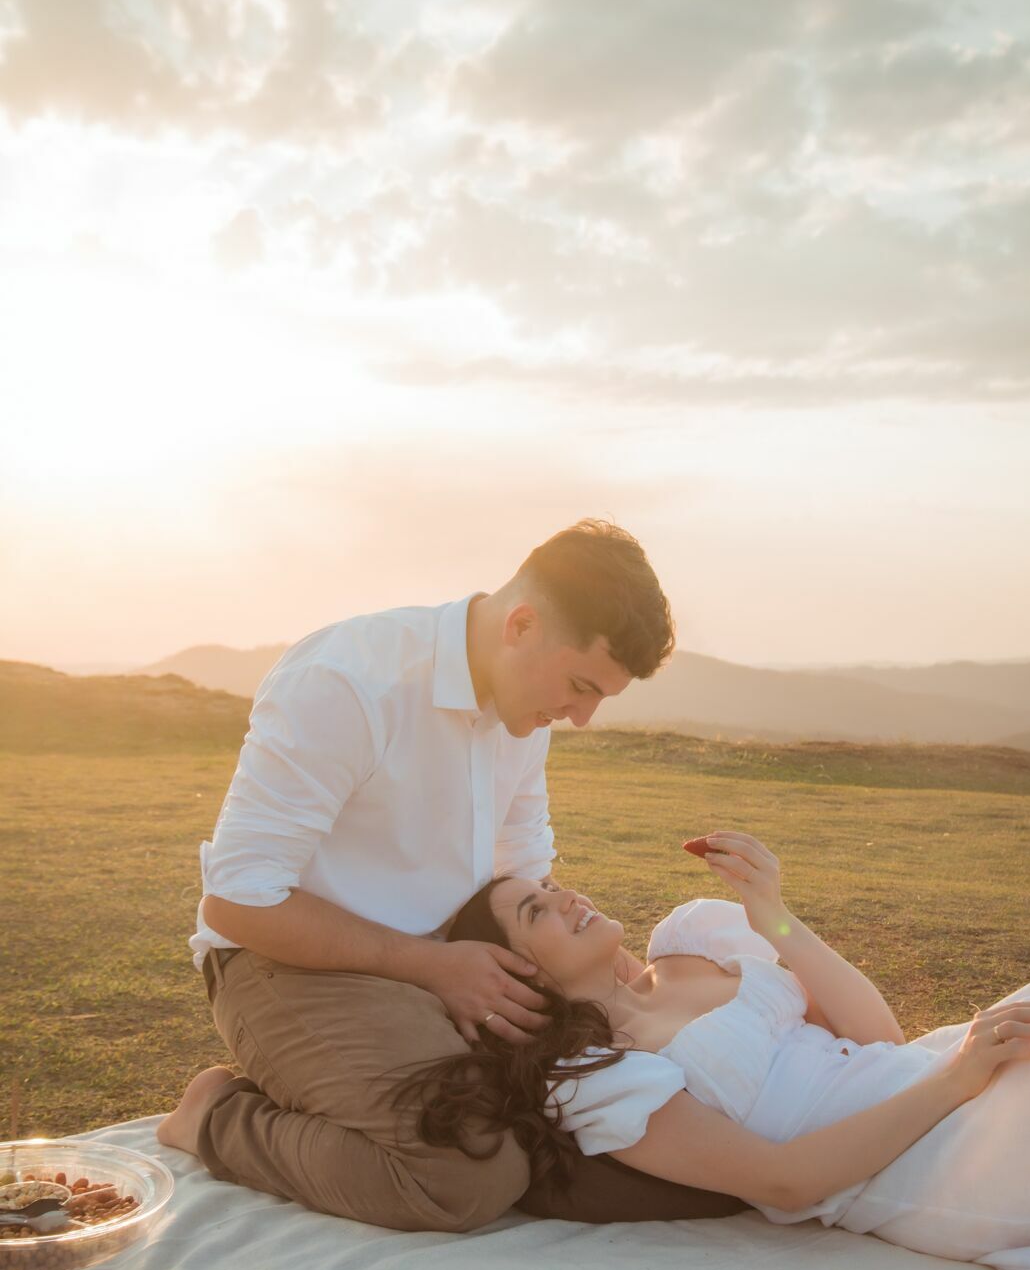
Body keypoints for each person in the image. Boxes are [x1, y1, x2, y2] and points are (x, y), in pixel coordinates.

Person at [158, 519, 749, 1229]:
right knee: (464, 1174)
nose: (583, 717)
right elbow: (238, 903)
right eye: (580, 685)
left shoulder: (519, 709)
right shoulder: (346, 679)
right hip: (287, 962)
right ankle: (214, 1116)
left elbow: (523, 866)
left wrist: (607, 974)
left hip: (452, 959)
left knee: (591, 1127)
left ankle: (349, 1083)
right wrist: (432, 969)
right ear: (522, 625)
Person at [388, 830, 1030, 1270]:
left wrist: (771, 910)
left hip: (926, 1073)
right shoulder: (592, 1079)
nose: (565, 898)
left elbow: (878, 1040)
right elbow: (785, 1182)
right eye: (535, 912)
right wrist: (958, 1081)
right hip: (929, 1169)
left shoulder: (692, 943)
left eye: (549, 888)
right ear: (519, 972)